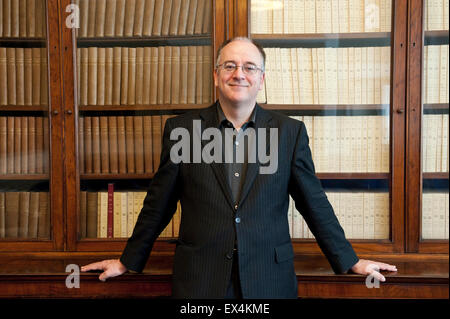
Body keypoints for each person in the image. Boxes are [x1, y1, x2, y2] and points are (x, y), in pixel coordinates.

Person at [81, 37, 397, 299]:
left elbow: (313, 203)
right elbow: (158, 204)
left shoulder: (289, 133)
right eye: (229, 66)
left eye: (249, 67)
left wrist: (349, 261)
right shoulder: (184, 131)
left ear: (261, 79)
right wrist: (128, 261)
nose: (239, 74)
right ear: (216, 75)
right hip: (199, 281)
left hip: (269, 280)